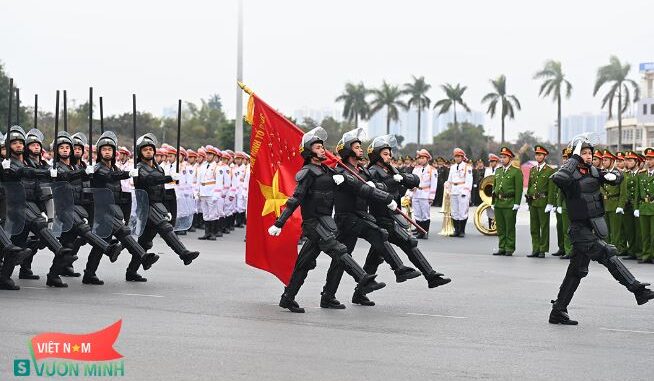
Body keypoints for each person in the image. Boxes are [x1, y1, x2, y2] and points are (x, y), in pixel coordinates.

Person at [267, 127, 387, 313]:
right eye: (317, 147)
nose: (322, 150)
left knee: (303, 264)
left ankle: (288, 298)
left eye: (323, 147)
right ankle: (363, 278)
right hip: (313, 223)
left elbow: (349, 184)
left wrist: (350, 180)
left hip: (325, 222)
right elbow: (295, 199)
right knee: (339, 250)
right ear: (309, 151)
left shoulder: (327, 170)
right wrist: (279, 223)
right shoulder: (307, 172)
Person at [549, 136, 654, 325]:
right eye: (584, 153)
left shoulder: (593, 171)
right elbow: (558, 178)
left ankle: (558, 311)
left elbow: (617, 178)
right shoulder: (568, 174)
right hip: (579, 230)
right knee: (607, 253)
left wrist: (609, 175)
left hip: (592, 227)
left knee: (576, 273)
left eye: (590, 153)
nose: (589, 156)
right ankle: (637, 290)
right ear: (575, 154)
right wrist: (573, 158)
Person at [321, 128, 421, 309]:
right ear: (347, 150)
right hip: (346, 217)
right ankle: (398, 269)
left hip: (360, 214)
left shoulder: (361, 170)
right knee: (377, 234)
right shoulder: (339, 171)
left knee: (342, 258)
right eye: (357, 147)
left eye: (360, 146)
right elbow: (360, 188)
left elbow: (377, 186)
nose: (361, 149)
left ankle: (331, 295)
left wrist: (394, 185)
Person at [91, 131, 160, 282]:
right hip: (101, 211)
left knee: (101, 244)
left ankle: (90, 273)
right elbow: (108, 177)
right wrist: (128, 173)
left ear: (114, 152)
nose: (107, 152)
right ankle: (143, 257)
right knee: (123, 232)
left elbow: (118, 190)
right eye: (104, 149)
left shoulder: (115, 168)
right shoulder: (97, 168)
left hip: (114, 209)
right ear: (99, 152)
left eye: (110, 149)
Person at [133, 133, 200, 271]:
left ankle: (131, 271)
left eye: (151, 149)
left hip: (158, 205)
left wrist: (166, 208)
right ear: (140, 152)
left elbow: (161, 190)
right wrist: (168, 178)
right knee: (165, 228)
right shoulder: (138, 168)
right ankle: (184, 254)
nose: (148, 151)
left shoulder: (159, 168)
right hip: (146, 206)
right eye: (145, 150)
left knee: (145, 243)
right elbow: (150, 179)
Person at [526, 145, 556, 258]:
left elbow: (551, 188)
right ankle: (535, 248)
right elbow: (529, 186)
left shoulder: (549, 170)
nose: (538, 156)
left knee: (544, 227)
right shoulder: (533, 170)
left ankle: (542, 249)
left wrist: (550, 203)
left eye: (540, 155)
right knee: (533, 227)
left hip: (543, 202)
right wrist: (528, 201)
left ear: (545, 156)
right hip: (533, 202)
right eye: (537, 154)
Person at [492, 147, 523, 256]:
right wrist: (493, 201)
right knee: (500, 227)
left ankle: (509, 248)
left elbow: (519, 189)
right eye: (501, 157)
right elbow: (494, 187)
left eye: (504, 157)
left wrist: (517, 203)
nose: (502, 159)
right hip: (498, 202)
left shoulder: (516, 172)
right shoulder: (498, 170)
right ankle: (501, 247)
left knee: (509, 227)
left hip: (509, 203)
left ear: (510, 158)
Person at [618, 151, 641, 261]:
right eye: (626, 160)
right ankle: (631, 251)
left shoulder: (641, 174)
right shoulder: (625, 174)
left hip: (637, 205)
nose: (627, 162)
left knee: (639, 230)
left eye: (630, 160)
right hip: (627, 206)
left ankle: (639, 251)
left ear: (636, 162)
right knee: (629, 230)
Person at [446, 148, 473, 237]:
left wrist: (466, 192)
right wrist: (448, 188)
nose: (457, 158)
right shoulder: (453, 167)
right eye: (456, 156)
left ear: (462, 157)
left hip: (462, 190)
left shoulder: (467, 167)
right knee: (454, 211)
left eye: (459, 156)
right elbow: (449, 179)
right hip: (454, 190)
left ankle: (462, 231)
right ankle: (456, 230)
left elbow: (469, 181)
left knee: (462, 211)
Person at [411, 149, 437, 238]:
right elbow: (411, 181)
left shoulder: (432, 170)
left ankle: (425, 232)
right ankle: (419, 231)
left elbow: (434, 184)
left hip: (425, 193)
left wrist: (431, 197)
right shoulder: (416, 169)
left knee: (425, 214)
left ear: (427, 159)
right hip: (416, 193)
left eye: (422, 158)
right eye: (419, 158)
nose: (420, 160)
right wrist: (410, 193)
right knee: (417, 214)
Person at [552, 148, 573, 259]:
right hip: (562, 204)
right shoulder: (560, 170)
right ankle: (563, 248)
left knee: (570, 229)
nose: (565, 160)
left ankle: (570, 250)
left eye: (568, 158)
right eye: (564, 157)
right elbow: (558, 190)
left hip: (572, 204)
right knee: (561, 227)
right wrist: (557, 204)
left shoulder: (574, 171)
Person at [635, 147, 654, 264]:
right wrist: (636, 208)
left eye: (651, 159)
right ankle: (646, 254)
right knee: (644, 234)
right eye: (647, 159)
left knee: (653, 234)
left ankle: (653, 255)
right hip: (643, 207)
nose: (648, 161)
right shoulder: (641, 175)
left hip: (653, 207)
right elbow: (637, 193)